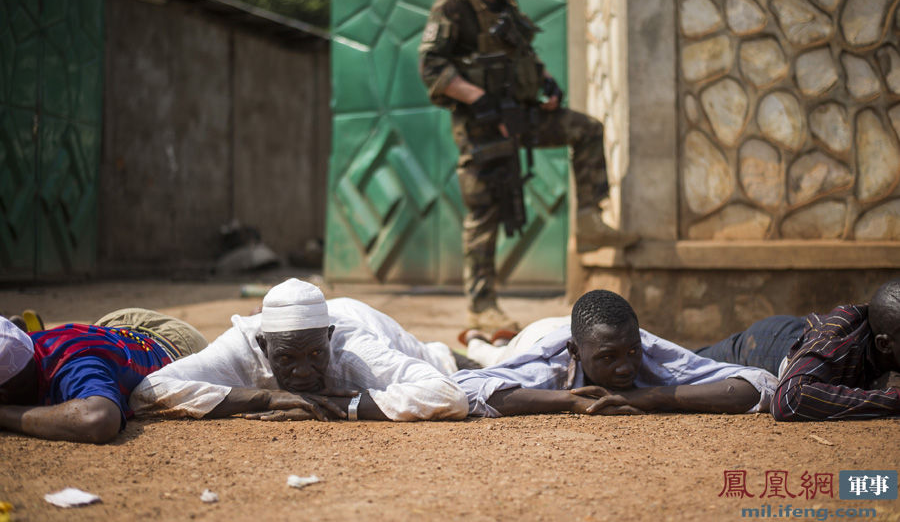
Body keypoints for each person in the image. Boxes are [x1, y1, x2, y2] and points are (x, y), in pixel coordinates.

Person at [418, 0, 638, 334]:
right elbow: (431, 65)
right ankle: (483, 307)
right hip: (482, 124)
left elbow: (526, 56)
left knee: (585, 129)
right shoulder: (454, 4)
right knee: (485, 211)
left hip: (521, 114)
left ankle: (590, 218)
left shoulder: (506, 5)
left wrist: (546, 83)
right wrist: (476, 97)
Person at [130, 278, 469, 422]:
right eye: (286, 359)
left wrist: (344, 406)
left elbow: (448, 394)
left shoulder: (355, 348)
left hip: (391, 330)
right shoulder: (242, 345)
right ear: (264, 346)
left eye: (316, 355)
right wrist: (269, 398)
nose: (304, 372)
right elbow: (148, 392)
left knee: (466, 359)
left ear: (330, 338)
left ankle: (483, 343)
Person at [451, 289, 777, 417]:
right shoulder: (548, 366)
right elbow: (462, 390)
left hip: (583, 328)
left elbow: (759, 383)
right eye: (608, 358)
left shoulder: (648, 350)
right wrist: (571, 400)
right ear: (575, 352)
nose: (625, 368)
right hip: (535, 335)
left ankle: (487, 341)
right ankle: (481, 341)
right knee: (493, 359)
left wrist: (652, 397)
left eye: (631, 352)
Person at [697, 279, 900, 420]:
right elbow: (788, 400)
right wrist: (892, 400)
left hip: (802, 331)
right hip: (766, 343)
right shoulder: (837, 343)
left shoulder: (887, 326)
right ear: (884, 344)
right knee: (683, 363)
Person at [0, 311, 208, 443]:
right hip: (108, 327)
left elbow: (100, 419)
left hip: (174, 341)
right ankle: (22, 330)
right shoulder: (23, 344)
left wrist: (6, 414)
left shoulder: (80, 368)